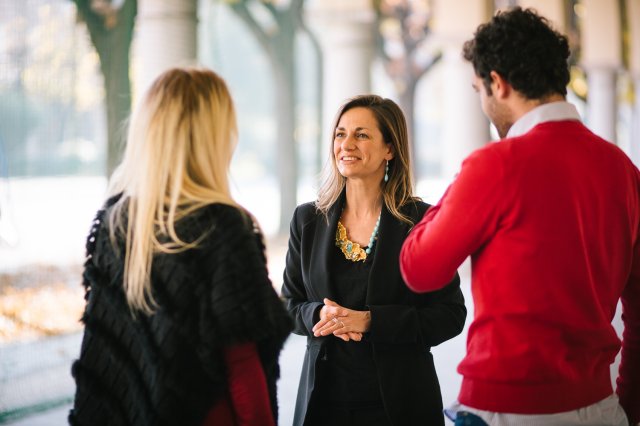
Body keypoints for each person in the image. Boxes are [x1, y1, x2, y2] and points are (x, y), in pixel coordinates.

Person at [400, 7, 640, 426]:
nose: (483, 104)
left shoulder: (495, 165)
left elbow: (419, 268)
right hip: (602, 406)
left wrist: (465, 176)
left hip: (508, 410)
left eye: (479, 89)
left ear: (498, 82)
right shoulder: (623, 170)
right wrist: (629, 405)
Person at [69, 68, 293, 426]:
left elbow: (104, 353)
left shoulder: (116, 222)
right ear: (213, 137)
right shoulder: (222, 227)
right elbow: (242, 365)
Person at [281, 94, 467, 426]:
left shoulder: (422, 221)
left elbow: (450, 315)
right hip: (323, 405)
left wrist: (370, 322)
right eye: (340, 134)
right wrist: (319, 314)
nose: (346, 144)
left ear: (389, 150)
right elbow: (288, 305)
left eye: (361, 134)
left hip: (400, 406)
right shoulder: (307, 220)